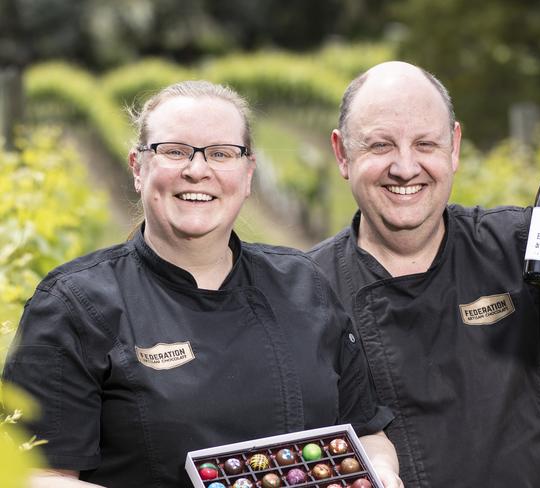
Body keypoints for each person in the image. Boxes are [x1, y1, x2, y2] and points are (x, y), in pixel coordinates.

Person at [2, 80, 403, 488]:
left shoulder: (305, 285)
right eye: (174, 151)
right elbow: (36, 477)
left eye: (221, 154)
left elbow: (367, 431)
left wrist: (382, 472)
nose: (197, 170)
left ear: (248, 175)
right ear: (138, 168)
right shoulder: (73, 305)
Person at [308, 61, 540, 487]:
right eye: (380, 146)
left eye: (426, 144)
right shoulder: (308, 292)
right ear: (342, 154)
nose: (405, 167)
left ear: (454, 147)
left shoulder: (520, 243)